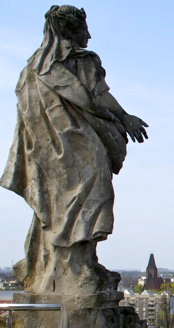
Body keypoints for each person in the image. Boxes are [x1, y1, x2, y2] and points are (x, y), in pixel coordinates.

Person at [1, 5, 148, 297]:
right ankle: (76, 268)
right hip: (76, 145)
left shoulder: (33, 67)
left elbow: (26, 114)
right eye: (84, 29)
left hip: (48, 150)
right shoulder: (77, 60)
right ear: (71, 29)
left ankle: (76, 263)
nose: (89, 36)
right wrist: (125, 117)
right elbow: (99, 96)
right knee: (94, 191)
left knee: (57, 204)